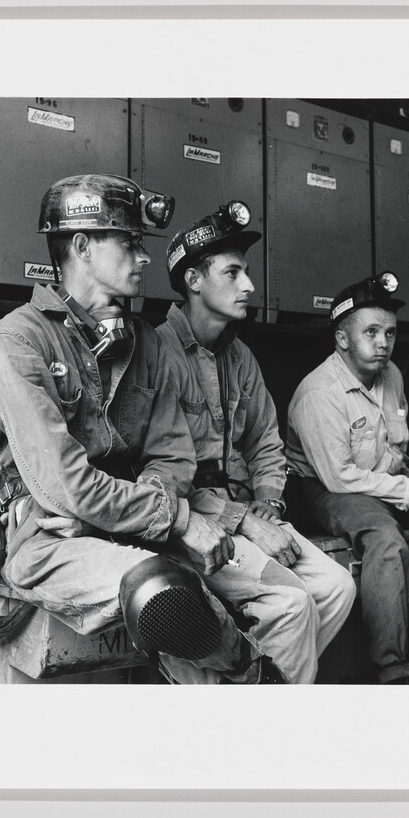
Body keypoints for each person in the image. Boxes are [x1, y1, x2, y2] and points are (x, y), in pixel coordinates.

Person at [0, 173, 285, 684]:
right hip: (53, 540)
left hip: (126, 525)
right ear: (81, 247)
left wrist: (129, 513)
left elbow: (174, 457)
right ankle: (254, 677)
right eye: (128, 242)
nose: (143, 258)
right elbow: (66, 486)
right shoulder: (18, 341)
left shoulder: (146, 343)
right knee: (163, 592)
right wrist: (178, 520)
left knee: (253, 597)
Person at [156, 200, 356, 684]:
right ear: (194, 281)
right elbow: (163, 475)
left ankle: (244, 685)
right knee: (292, 604)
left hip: (244, 512)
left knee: (337, 586)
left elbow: (266, 441)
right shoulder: (157, 352)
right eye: (233, 273)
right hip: (188, 523)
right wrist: (243, 519)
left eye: (246, 272)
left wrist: (267, 504)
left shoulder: (240, 356)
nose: (249, 285)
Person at [286, 272, 409, 684]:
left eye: (389, 332)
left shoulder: (391, 376)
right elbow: (340, 478)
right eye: (371, 331)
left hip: (386, 478)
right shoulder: (320, 392)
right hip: (329, 490)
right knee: (386, 542)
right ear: (342, 339)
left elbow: (395, 452)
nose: (383, 342)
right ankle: (397, 673)